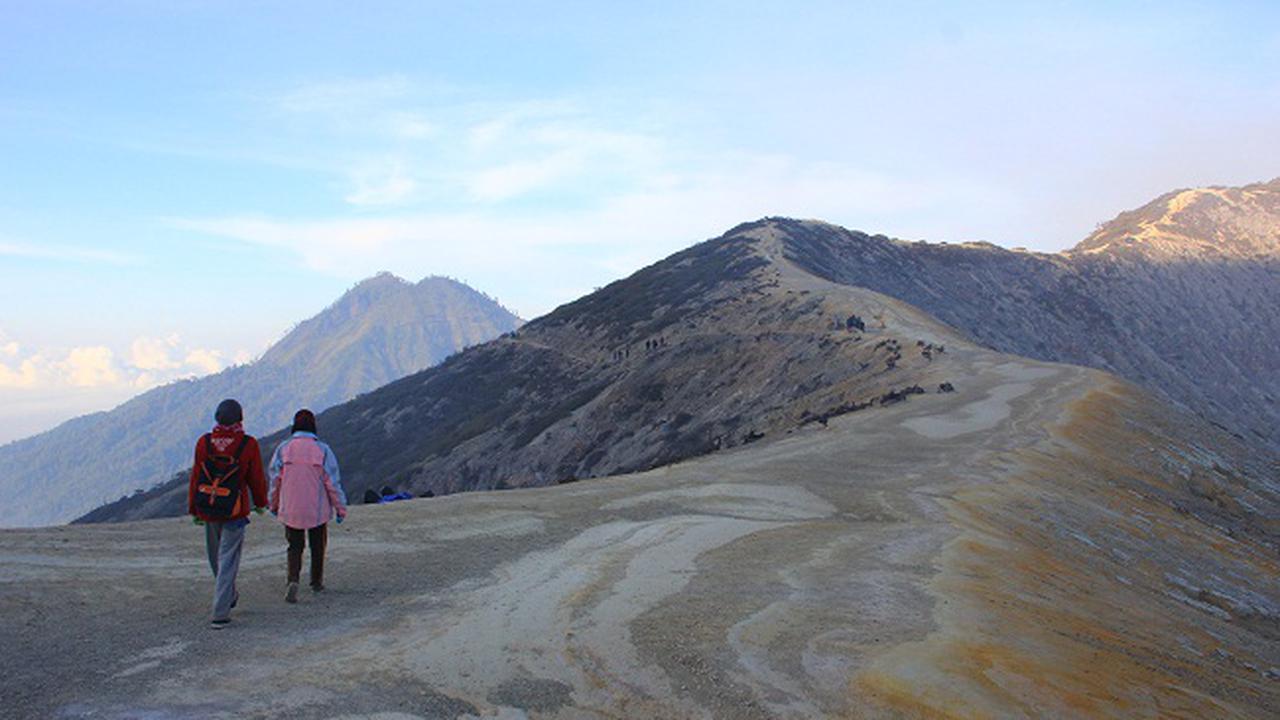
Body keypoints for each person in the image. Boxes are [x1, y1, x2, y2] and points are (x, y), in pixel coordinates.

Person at [188, 398, 268, 629]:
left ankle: (228, 596)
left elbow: (196, 477)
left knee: (216, 558)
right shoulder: (248, 444)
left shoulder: (204, 442)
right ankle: (220, 611)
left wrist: (194, 507)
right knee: (228, 560)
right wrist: (260, 502)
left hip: (209, 507)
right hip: (235, 509)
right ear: (239, 418)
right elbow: (255, 477)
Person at [268, 409, 348, 603]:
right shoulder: (323, 450)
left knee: (294, 546)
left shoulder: (283, 449)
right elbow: (332, 483)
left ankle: (292, 579)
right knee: (317, 545)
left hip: (291, 508)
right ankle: (316, 581)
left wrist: (274, 503)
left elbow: (275, 480)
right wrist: (340, 507)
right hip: (317, 509)